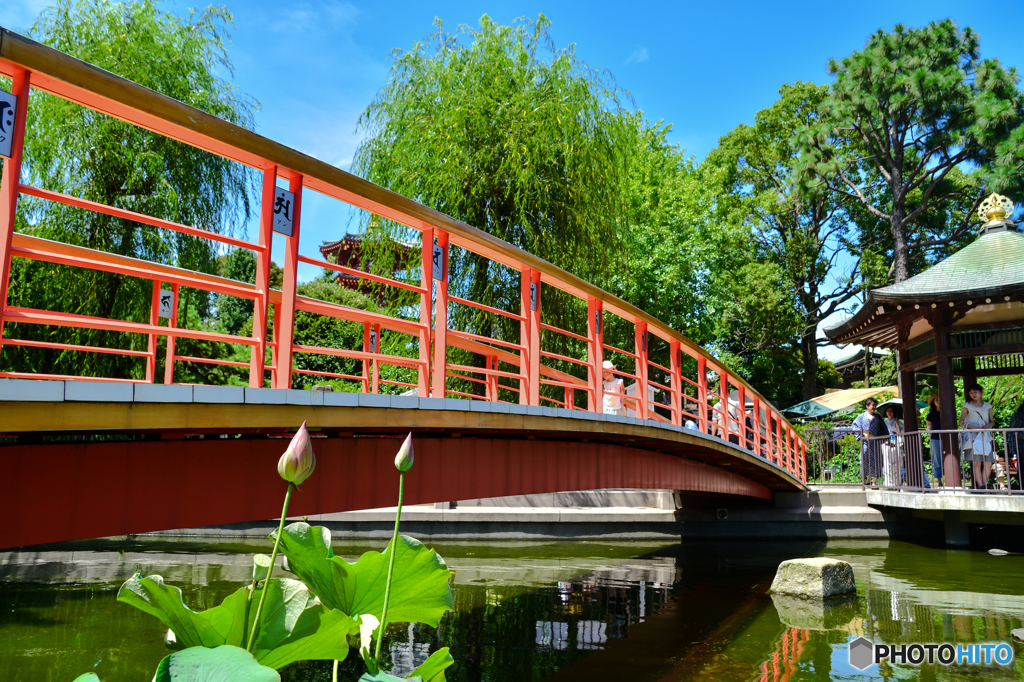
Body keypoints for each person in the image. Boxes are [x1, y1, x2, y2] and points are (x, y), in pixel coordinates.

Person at [959, 383, 995, 489]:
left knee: (988, 463)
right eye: (971, 393)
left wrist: (988, 425)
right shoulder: (967, 405)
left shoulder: (988, 406)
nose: (973, 394)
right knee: (977, 463)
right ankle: (982, 486)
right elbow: (961, 421)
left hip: (985, 437)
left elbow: (992, 421)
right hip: (973, 436)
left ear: (981, 392)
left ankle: (985, 485)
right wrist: (974, 428)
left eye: (975, 392)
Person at [852, 398, 888, 486]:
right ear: (867, 406)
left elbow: (884, 429)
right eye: (872, 405)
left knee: (877, 460)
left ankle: (874, 481)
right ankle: (868, 479)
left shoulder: (878, 417)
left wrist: (883, 437)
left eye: (875, 405)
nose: (874, 407)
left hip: (876, 442)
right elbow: (855, 427)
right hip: (866, 442)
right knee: (865, 461)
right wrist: (863, 431)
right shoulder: (861, 416)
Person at [882, 405, 904, 487]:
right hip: (886, 443)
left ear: (894, 413)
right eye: (888, 411)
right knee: (887, 463)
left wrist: (898, 426)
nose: (889, 412)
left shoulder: (899, 422)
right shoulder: (884, 423)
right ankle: (888, 483)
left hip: (895, 441)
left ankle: (897, 482)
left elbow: (901, 434)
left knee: (896, 462)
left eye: (891, 411)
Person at [925, 394, 944, 487]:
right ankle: (939, 481)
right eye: (935, 399)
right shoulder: (931, 415)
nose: (937, 401)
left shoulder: (947, 411)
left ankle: (950, 479)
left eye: (939, 399)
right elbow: (929, 429)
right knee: (937, 460)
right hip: (936, 439)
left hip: (948, 438)